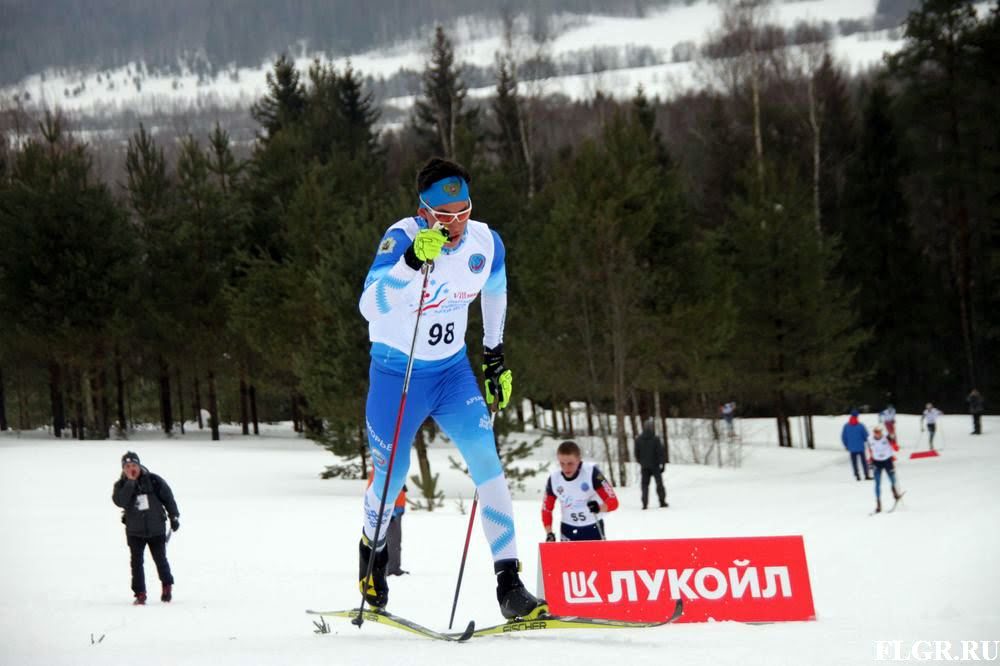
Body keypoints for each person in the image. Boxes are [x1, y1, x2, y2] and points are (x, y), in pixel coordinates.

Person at [356, 157, 544, 620]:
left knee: (487, 462)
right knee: (392, 476)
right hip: (396, 375)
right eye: (444, 216)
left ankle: (509, 582)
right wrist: (411, 262)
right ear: (423, 213)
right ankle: (372, 555)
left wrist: (494, 353)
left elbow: (494, 288)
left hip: (452, 372)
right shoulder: (401, 239)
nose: (455, 224)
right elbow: (368, 307)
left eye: (462, 211)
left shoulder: (485, 242)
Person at [111, 451, 179, 605]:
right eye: (127, 466)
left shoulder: (154, 480)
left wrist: (174, 516)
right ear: (123, 469)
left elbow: (168, 498)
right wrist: (130, 482)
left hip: (156, 529)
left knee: (160, 560)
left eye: (134, 465)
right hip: (134, 531)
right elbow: (120, 501)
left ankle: (167, 586)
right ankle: (140, 593)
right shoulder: (120, 485)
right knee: (136, 563)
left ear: (139, 465)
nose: (131, 469)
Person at [541, 441, 619, 541]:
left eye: (570, 463)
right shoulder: (554, 479)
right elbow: (546, 509)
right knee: (568, 557)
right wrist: (549, 533)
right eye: (562, 463)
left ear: (579, 460)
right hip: (568, 528)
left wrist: (599, 508)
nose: (566, 468)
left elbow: (613, 501)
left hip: (593, 527)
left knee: (595, 557)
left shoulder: (592, 473)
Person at [366, 471, 408, 576]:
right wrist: (389, 510)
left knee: (395, 540)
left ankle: (392, 567)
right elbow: (377, 490)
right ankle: (387, 568)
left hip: (396, 508)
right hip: (389, 510)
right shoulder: (383, 470)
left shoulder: (392, 468)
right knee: (390, 540)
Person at [866, 424, 904, 513]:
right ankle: (878, 504)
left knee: (892, 479)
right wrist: (870, 461)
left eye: (879, 432)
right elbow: (870, 451)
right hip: (877, 462)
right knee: (877, 483)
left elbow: (896, 448)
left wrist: (893, 440)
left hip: (887, 461)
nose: (877, 434)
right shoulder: (870, 439)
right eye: (876, 432)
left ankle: (895, 493)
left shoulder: (886, 438)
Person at [634, 418, 668, 509]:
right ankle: (662, 501)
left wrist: (641, 462)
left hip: (644, 466)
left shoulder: (639, 439)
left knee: (644, 485)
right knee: (659, 484)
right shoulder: (655, 439)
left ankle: (644, 504)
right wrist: (662, 464)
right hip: (655, 466)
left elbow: (636, 454)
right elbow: (660, 452)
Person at [841, 409, 871, 481]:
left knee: (854, 462)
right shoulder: (860, 426)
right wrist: (865, 441)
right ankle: (866, 475)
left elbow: (843, 437)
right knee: (863, 461)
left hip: (851, 448)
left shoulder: (846, 426)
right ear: (857, 416)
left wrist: (846, 445)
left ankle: (857, 475)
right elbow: (866, 436)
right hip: (860, 447)